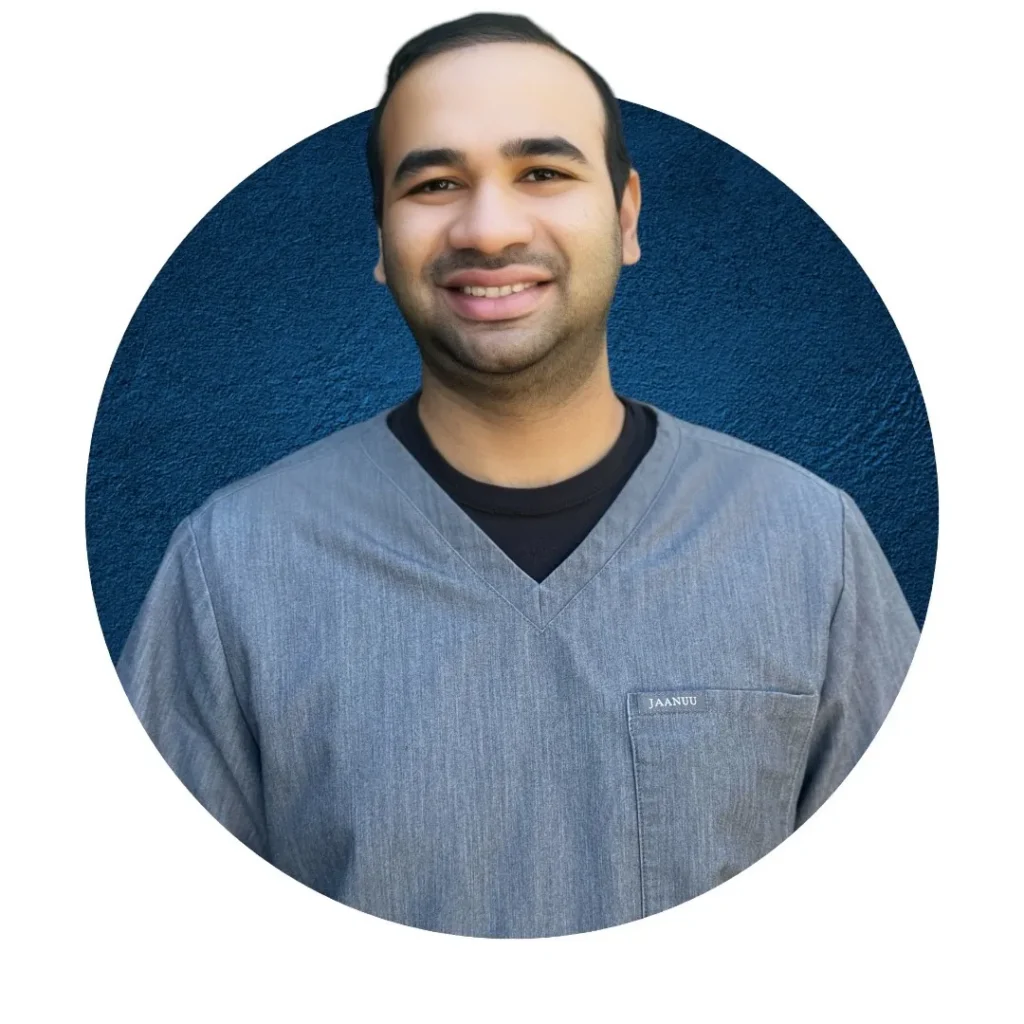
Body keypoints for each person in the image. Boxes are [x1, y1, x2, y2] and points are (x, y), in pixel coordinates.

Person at [117, 12, 920, 939]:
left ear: (625, 216)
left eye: (542, 171)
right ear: (381, 237)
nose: (489, 229)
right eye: (435, 183)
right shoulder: (232, 567)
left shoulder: (811, 547)